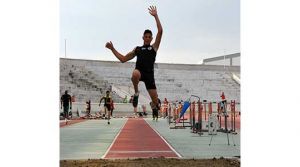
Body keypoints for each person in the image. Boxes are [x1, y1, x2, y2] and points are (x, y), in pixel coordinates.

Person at [105, 6, 163, 116]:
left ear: (151, 38)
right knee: (135, 73)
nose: (147, 38)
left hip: (149, 76)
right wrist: (112, 49)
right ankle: (136, 93)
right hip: (140, 72)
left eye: (149, 37)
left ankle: (153, 105)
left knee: (157, 103)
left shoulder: (154, 48)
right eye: (145, 36)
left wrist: (155, 16)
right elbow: (123, 59)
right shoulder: (137, 49)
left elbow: (160, 31)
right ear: (143, 37)